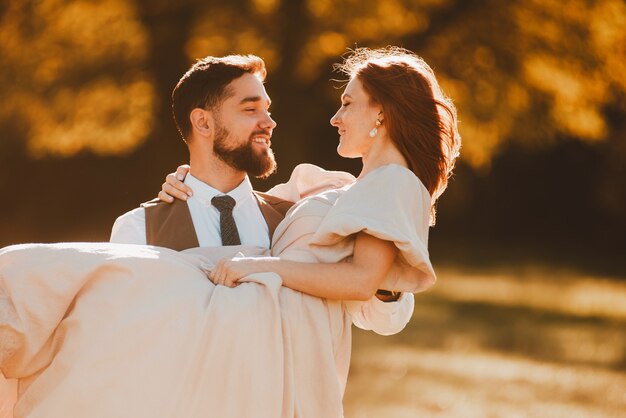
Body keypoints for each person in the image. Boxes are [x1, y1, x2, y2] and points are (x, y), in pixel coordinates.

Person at [0, 51, 437, 418]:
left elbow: (384, 318)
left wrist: (381, 281)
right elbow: (117, 349)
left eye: (268, 109)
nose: (269, 122)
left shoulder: (295, 220)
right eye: (251, 110)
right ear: (204, 124)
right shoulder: (140, 228)